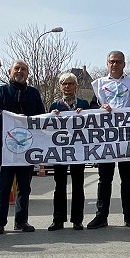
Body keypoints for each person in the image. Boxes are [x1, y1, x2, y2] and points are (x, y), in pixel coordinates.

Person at [86, 51, 130, 229]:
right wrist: (100, 107)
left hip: (127, 138)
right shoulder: (98, 84)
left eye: (118, 62)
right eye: (112, 62)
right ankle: (101, 216)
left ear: (124, 64)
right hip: (106, 139)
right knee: (105, 179)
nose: (115, 65)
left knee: (128, 179)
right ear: (107, 64)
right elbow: (92, 107)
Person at [0, 59, 46, 234]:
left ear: (27, 74)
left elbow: (41, 118)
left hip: (27, 148)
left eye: (23, 69)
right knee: (3, 185)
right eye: (17, 68)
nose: (20, 71)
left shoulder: (33, 93)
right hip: (6, 147)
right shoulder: (1, 91)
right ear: (9, 72)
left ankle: (21, 221)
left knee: (24, 186)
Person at [49, 72, 90, 231]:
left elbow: (91, 125)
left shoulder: (83, 104)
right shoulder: (55, 105)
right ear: (60, 86)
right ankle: (58, 219)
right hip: (60, 150)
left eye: (70, 84)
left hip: (78, 150)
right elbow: (48, 126)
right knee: (59, 185)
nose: (67, 87)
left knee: (78, 185)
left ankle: (77, 219)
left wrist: (84, 115)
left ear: (75, 86)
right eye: (64, 84)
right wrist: (53, 116)